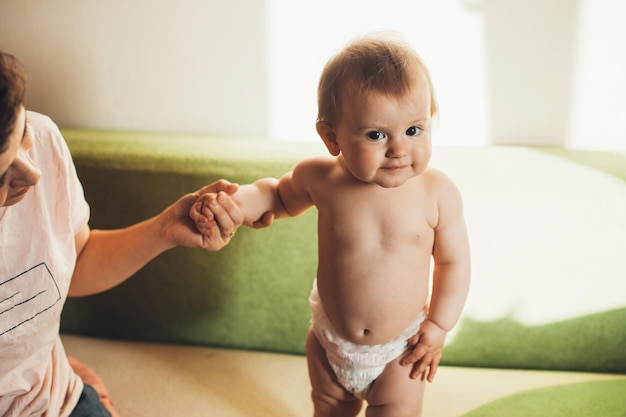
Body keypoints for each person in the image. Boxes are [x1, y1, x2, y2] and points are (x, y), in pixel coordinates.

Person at [191, 34, 471, 417]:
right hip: (329, 342)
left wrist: (439, 324)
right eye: (376, 135)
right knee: (329, 407)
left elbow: (455, 262)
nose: (399, 149)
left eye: (414, 129)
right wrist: (234, 206)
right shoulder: (322, 179)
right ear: (331, 137)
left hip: (401, 351)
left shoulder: (436, 193)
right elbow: (275, 195)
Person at [0, 52, 266, 417]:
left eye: (22, 134)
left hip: (58, 400)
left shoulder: (45, 139)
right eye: (1, 175)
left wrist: (165, 229)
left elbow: (72, 263)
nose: (32, 174)